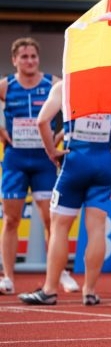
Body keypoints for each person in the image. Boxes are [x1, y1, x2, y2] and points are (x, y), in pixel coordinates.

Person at [18, 81, 111, 306]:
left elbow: (42, 121)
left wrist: (51, 151)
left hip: (74, 162)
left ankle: (49, 290)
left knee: (59, 227)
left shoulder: (67, 85)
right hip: (103, 164)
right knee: (97, 229)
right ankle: (90, 291)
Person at [0, 38, 80, 295]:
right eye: (24, 57)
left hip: (45, 160)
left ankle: (60, 273)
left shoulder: (53, 84)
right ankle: (8, 276)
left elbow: (73, 104)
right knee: (11, 219)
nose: (29, 61)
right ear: (14, 60)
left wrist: (57, 137)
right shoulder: (5, 86)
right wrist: (1, 130)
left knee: (52, 221)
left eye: (33, 56)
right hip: (15, 160)